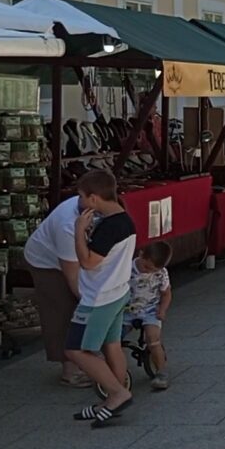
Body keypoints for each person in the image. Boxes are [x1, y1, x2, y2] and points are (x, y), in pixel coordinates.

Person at [66, 170, 137, 428]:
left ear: (94, 198)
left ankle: (117, 393)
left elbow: (88, 262)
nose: (80, 202)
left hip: (99, 298)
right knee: (112, 345)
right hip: (118, 291)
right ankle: (113, 399)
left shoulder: (109, 227)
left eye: (82, 196)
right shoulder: (124, 219)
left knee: (76, 349)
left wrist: (78, 231)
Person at [25, 191, 91, 387]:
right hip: (45, 262)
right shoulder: (68, 226)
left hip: (69, 256)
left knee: (76, 306)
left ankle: (84, 359)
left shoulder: (90, 207)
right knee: (62, 309)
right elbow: (72, 276)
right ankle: (70, 371)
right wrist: (89, 302)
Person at [125, 241, 173, 391]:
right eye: (146, 267)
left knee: (153, 339)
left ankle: (161, 372)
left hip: (150, 309)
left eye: (153, 270)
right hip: (127, 309)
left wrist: (162, 310)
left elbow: (166, 294)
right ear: (140, 254)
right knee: (113, 339)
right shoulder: (126, 268)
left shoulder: (161, 273)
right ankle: (118, 368)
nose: (148, 272)